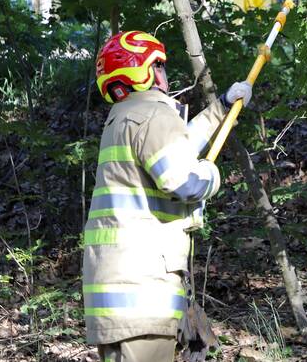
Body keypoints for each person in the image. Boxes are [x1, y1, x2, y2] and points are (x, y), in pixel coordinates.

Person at [84, 30, 251, 362]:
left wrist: (222, 107)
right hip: (144, 293)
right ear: (140, 71)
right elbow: (182, 178)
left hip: (117, 295)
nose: (164, 72)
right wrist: (212, 175)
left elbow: (176, 148)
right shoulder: (153, 114)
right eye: (157, 64)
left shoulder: (123, 118)